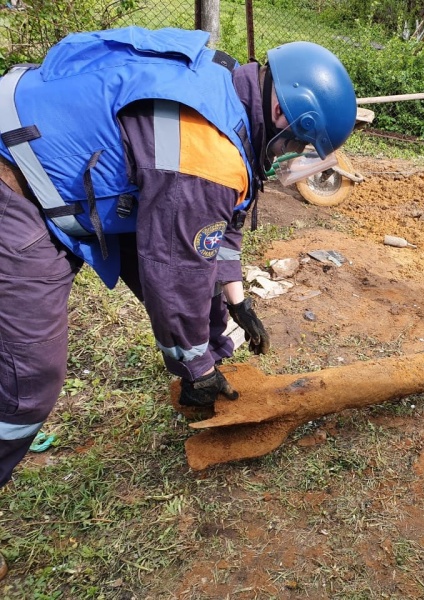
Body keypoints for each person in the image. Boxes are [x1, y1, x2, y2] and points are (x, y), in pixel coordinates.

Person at [0, 25, 357, 572]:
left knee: (191, 294)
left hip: (36, 149)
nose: (289, 156)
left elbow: (218, 224)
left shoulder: (225, 87)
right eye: (297, 145)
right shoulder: (206, 151)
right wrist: (197, 369)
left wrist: (236, 301)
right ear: (286, 116)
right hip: (14, 182)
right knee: (27, 383)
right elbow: (175, 269)